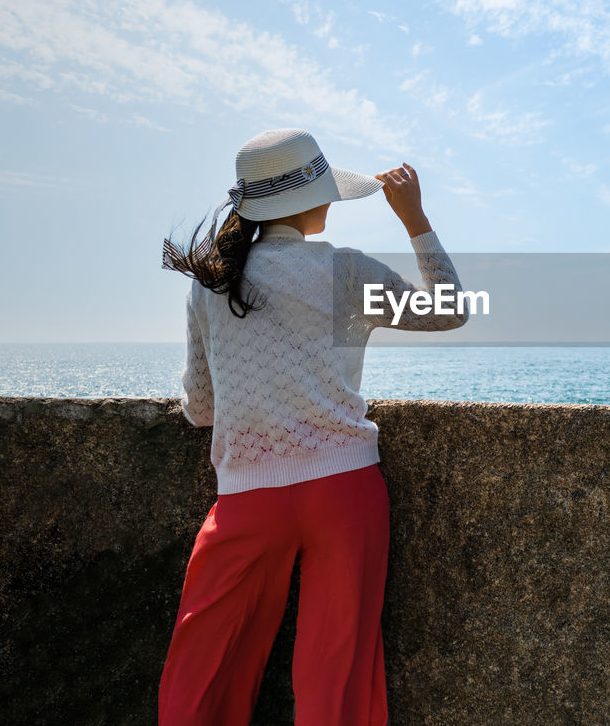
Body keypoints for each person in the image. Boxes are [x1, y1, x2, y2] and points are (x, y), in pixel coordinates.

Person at [157, 127, 468, 725]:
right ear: (311, 201)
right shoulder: (345, 273)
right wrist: (415, 219)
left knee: (203, 670)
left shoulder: (210, 283)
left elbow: (200, 407)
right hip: (345, 491)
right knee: (336, 675)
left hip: (248, 499)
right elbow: (450, 308)